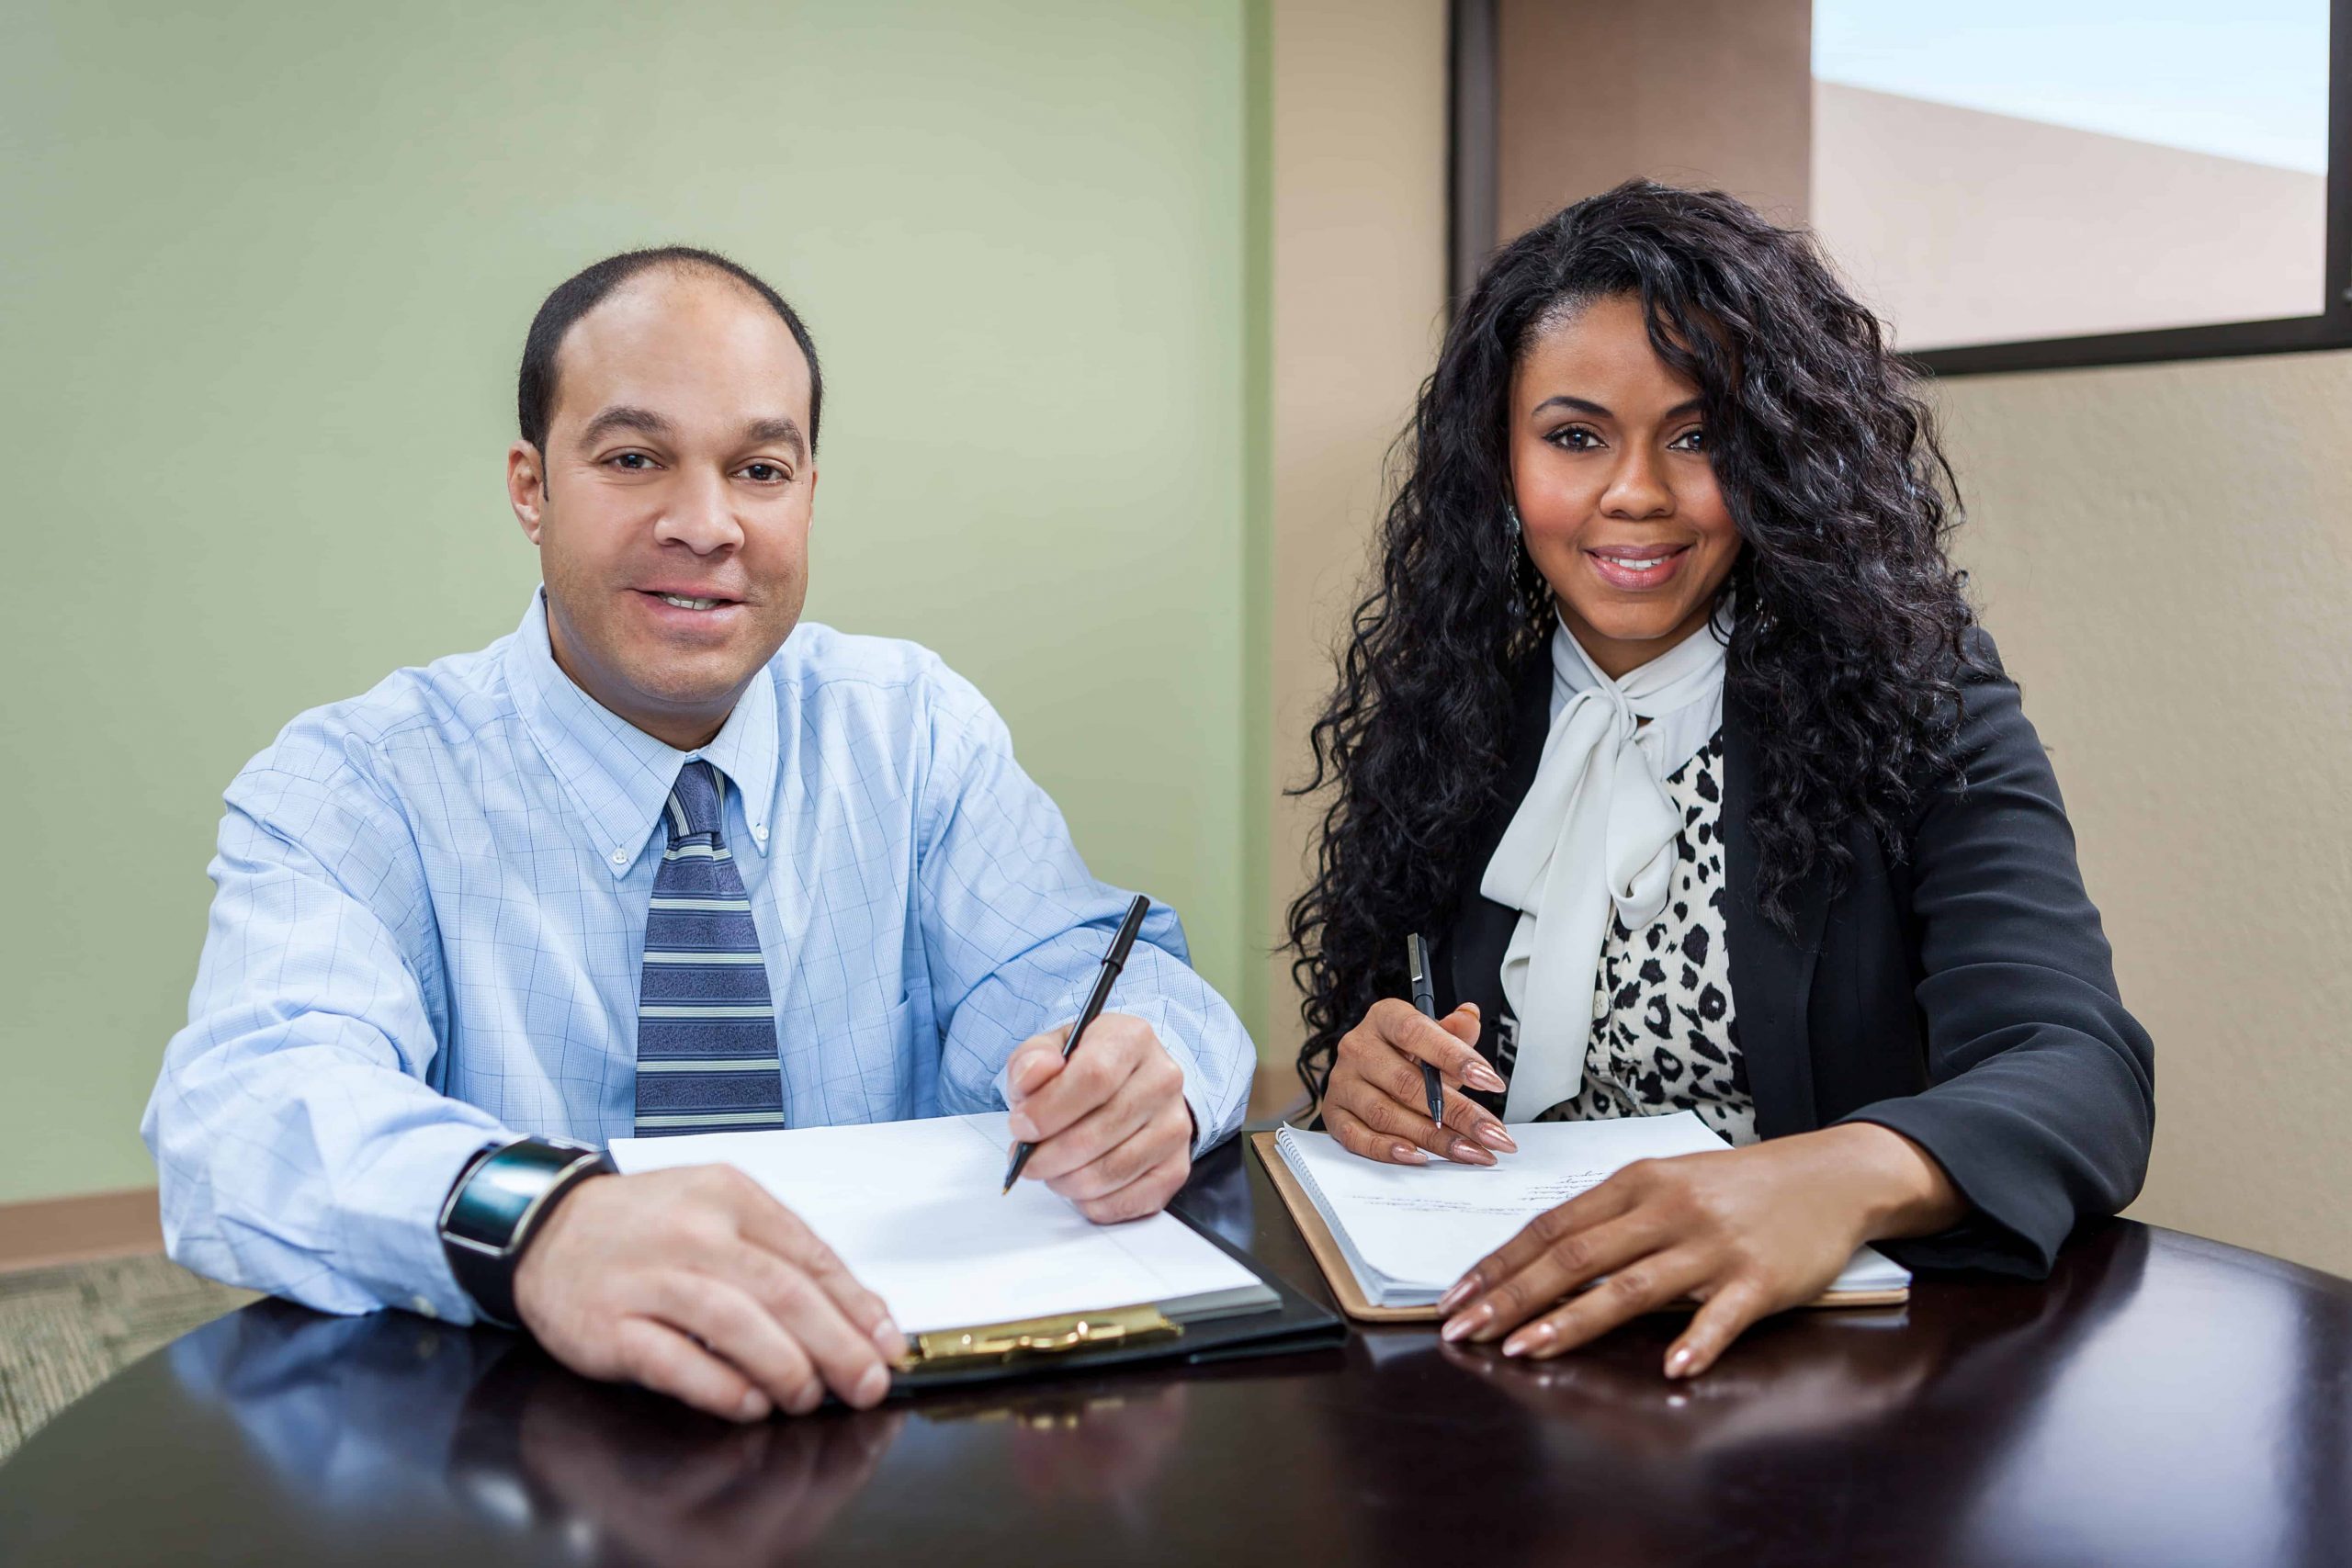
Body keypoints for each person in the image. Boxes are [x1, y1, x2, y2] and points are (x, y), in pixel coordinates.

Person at [144, 246, 1253, 1421]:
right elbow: (247, 1109)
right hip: (518, 1431)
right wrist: (542, 1216)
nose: (707, 524)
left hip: (886, 1407)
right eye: (634, 459)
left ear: (810, 492)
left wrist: (1142, 1076)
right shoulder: (359, 783)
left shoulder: (912, 731)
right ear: (532, 487)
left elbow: (1078, 974)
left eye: (760, 469)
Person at [1287, 182, 2152, 1379]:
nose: (1635, 490)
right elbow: (1392, 1036)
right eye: (1575, 435)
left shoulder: (1917, 692)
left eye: (1697, 437)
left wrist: (1836, 1174)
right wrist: (1367, 1077)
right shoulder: (1457, 706)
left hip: (1806, 1373)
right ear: (1499, 459)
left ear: (1777, 458)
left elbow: (2077, 1066)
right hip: (1493, 1351)